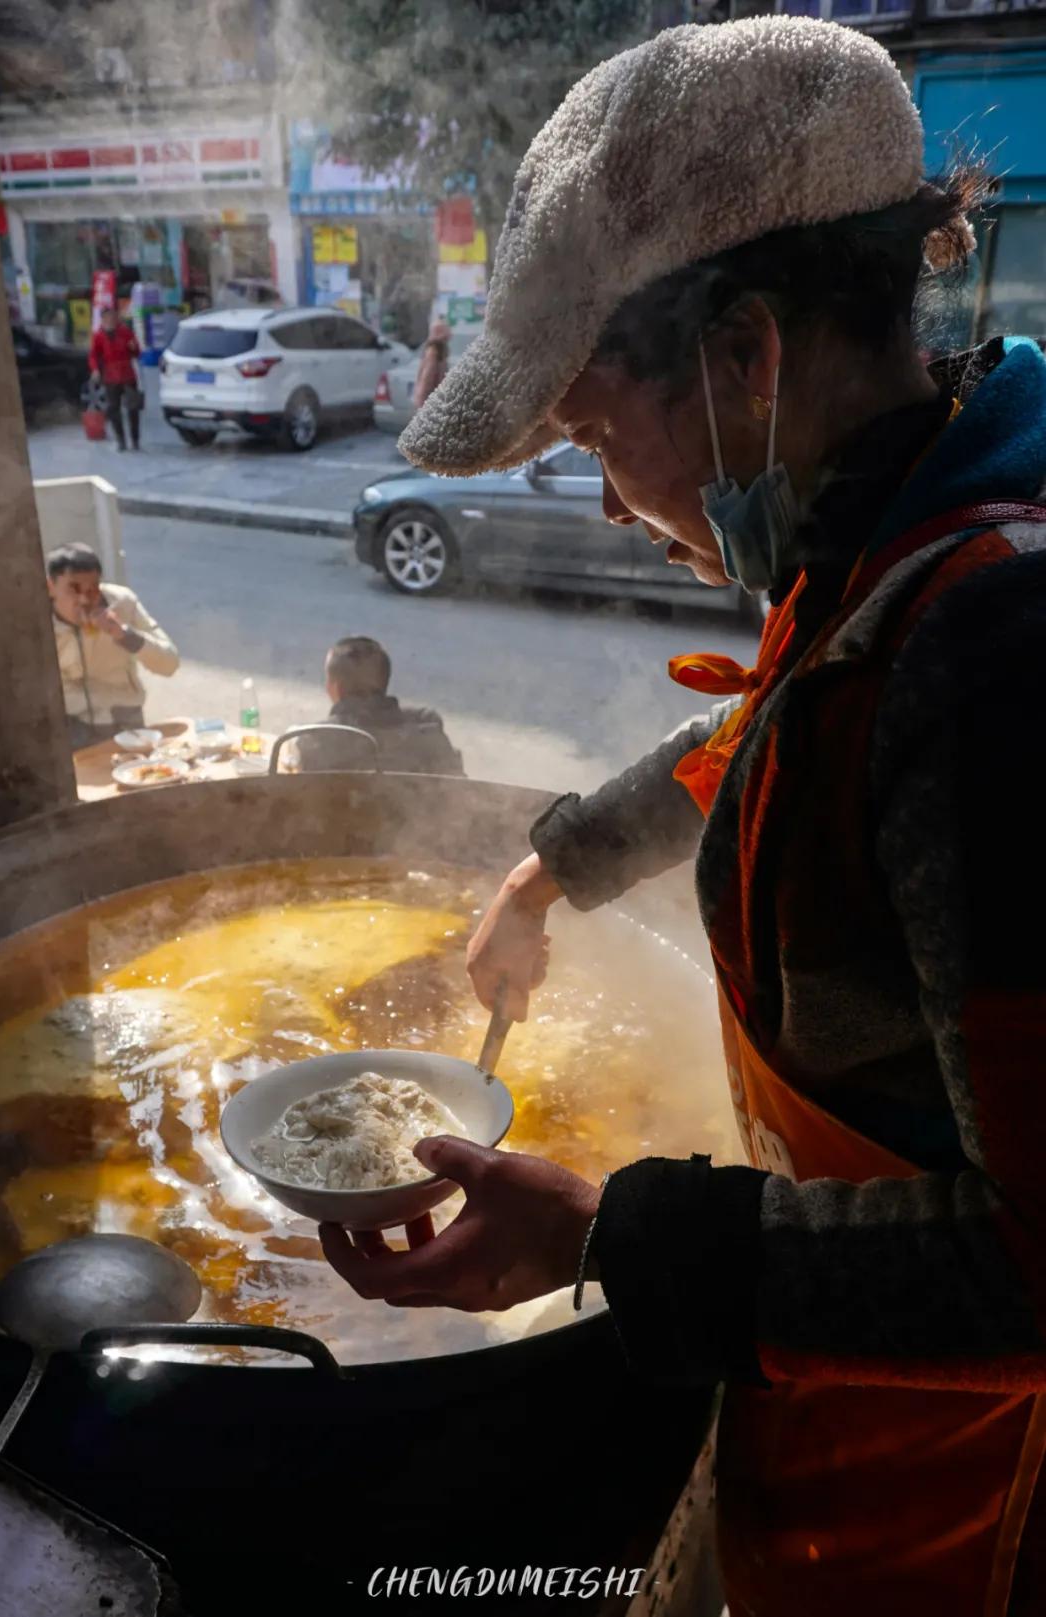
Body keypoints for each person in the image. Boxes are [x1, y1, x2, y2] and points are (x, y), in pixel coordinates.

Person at [317, 19, 1046, 1617]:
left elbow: (1037, 1271)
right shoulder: (888, 554)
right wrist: (552, 868)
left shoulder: (1001, 659)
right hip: (828, 1428)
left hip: (972, 1517)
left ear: (744, 359)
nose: (604, 499)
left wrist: (612, 1235)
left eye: (592, 434)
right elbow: (775, 723)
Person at [47, 544, 179, 747]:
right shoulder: (37, 624)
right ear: (50, 587)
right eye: (73, 589)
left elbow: (169, 664)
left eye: (92, 590)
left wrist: (124, 634)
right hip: (73, 722)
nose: (84, 599)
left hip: (125, 717)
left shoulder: (123, 603)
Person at [293, 635, 463, 775]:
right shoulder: (427, 727)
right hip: (419, 814)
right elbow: (459, 786)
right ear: (384, 681)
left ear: (334, 687)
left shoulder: (316, 740)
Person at [88, 306, 143, 451]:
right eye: (107, 317)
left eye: (113, 316)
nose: (111, 320)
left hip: (127, 374)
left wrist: (133, 347)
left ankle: (135, 439)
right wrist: (95, 370)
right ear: (103, 319)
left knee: (133, 408)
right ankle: (121, 440)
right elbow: (94, 355)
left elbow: (137, 353)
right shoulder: (99, 335)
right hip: (110, 376)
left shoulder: (125, 332)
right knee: (113, 409)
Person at [412, 319, 450, 410]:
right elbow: (427, 379)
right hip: (431, 402)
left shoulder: (438, 353)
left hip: (434, 400)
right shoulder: (433, 353)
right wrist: (425, 403)